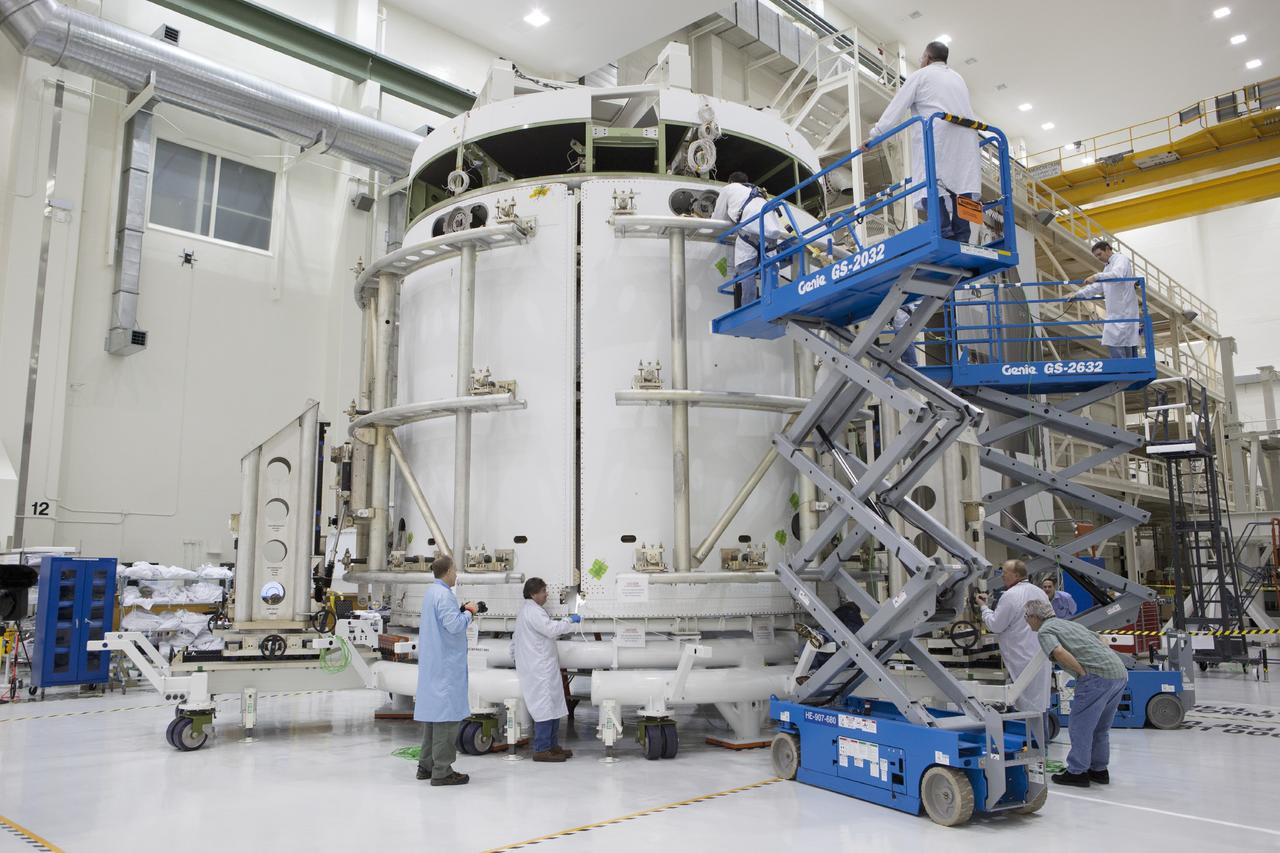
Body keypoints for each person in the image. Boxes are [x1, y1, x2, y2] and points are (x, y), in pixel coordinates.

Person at [862, 41, 980, 243]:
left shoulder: (920, 76)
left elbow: (896, 108)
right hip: (965, 137)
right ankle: (962, 236)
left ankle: (943, 232)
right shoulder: (958, 78)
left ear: (927, 57)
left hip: (937, 136)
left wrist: (874, 136)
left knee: (929, 184)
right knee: (961, 185)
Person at [1024, 598, 1129, 787]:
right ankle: (1099, 771)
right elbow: (1101, 638)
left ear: (1033, 617)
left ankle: (1077, 772)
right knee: (1100, 728)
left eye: (1026, 617)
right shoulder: (1067, 624)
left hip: (1096, 678)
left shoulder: (1046, 630)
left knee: (1080, 727)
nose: (1026, 621)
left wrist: (1081, 673)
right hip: (1119, 673)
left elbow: (1058, 652)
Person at [414, 555, 479, 786]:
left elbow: (444, 621)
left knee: (433, 719)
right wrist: (469, 612)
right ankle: (442, 771)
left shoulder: (432, 593)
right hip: (446, 668)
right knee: (446, 721)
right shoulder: (445, 595)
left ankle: (426, 766)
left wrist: (460, 609)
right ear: (448, 571)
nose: (457, 575)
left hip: (435, 665)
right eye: (456, 570)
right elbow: (454, 625)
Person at [513, 577, 582, 763]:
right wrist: (569, 620)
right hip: (538, 668)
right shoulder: (533, 612)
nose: (546, 594)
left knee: (552, 705)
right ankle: (542, 749)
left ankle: (552, 746)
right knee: (544, 707)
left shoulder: (531, 611)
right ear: (533, 593)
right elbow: (551, 629)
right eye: (543, 591)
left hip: (541, 666)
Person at [974, 559, 1052, 711]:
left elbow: (996, 625)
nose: (1002, 576)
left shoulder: (1011, 595)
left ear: (1016, 575)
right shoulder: (1040, 592)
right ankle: (1040, 734)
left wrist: (983, 607)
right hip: (1040, 655)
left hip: (1021, 658)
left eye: (1005, 573)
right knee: (1039, 704)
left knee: (1025, 704)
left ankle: (1027, 733)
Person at [712, 171, 788, 305]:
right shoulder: (758, 192)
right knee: (770, 268)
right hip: (770, 234)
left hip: (749, 233)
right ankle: (772, 301)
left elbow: (718, 218)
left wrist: (713, 230)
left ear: (730, 181)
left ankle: (749, 305)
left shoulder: (729, 189)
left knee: (746, 269)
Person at [1069, 241, 1139, 358]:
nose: (1098, 258)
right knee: (1119, 342)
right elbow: (1098, 286)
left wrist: (1096, 276)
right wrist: (1078, 295)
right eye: (1096, 256)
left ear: (1107, 249)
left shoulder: (1121, 260)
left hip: (1124, 312)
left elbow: (1117, 275)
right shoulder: (1107, 267)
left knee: (1120, 342)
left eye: (1099, 254)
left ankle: (1124, 372)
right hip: (1115, 313)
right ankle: (1125, 371)